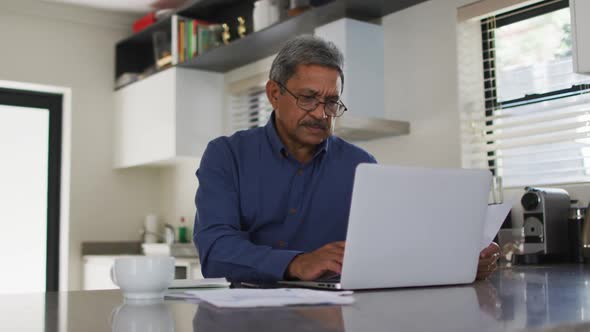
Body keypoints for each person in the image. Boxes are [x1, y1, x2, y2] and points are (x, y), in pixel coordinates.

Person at [194, 35, 500, 282]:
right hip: (248, 314)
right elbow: (214, 250)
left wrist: (460, 264)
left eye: (330, 101)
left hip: (336, 314)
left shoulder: (361, 166)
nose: (320, 113)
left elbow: (394, 249)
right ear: (274, 93)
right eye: (307, 98)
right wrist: (297, 263)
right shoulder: (226, 155)